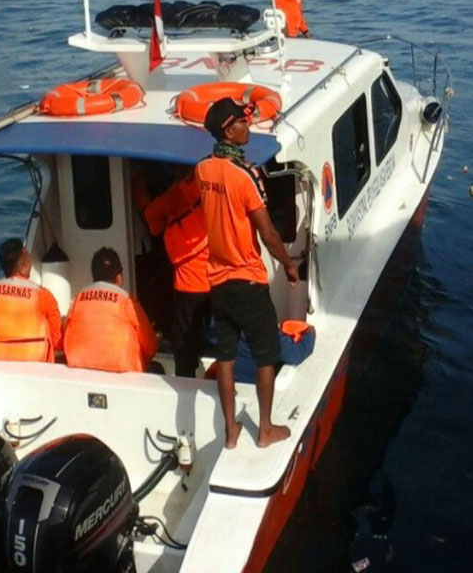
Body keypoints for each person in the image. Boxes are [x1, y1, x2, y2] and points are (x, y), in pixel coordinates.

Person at [196, 98, 300, 449]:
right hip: (248, 280)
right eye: (242, 121)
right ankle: (265, 429)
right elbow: (268, 233)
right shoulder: (246, 175)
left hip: (217, 282)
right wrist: (288, 265)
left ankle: (230, 431)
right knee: (266, 353)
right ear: (228, 129)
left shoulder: (202, 170)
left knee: (224, 356)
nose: (248, 126)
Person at [133, 165, 211, 378]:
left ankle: (185, 384)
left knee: (184, 345)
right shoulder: (210, 188)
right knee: (221, 339)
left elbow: (150, 219)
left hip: (189, 285)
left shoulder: (168, 201)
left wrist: (137, 183)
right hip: (218, 278)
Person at [63, 247, 159, 373]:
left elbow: (65, 331)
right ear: (119, 277)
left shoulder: (77, 298)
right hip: (123, 376)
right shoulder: (126, 300)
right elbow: (150, 346)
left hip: (80, 370)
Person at [0, 238, 62, 362]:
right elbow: (56, 341)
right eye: (28, 257)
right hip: (34, 365)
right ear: (23, 267)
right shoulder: (43, 296)